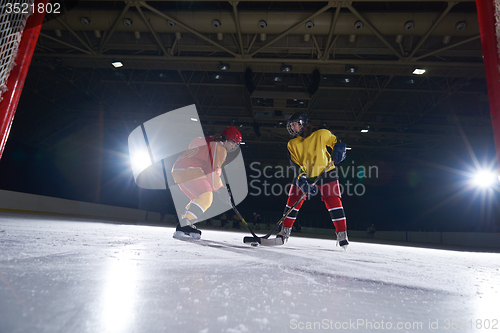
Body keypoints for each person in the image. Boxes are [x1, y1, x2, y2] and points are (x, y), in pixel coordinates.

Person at [276, 112, 349, 249]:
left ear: (303, 123)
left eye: (295, 124)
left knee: (333, 201)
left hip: (327, 172)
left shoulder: (321, 133)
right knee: (292, 200)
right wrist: (302, 179)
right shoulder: (292, 143)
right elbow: (295, 165)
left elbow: (336, 142)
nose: (293, 128)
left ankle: (342, 235)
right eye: (291, 125)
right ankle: (284, 232)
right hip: (305, 174)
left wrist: (339, 149)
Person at [171, 126, 242, 239]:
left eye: (236, 143)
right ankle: (184, 224)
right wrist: (221, 189)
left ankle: (186, 222)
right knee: (206, 196)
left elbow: (193, 144)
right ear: (226, 138)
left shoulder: (209, 140)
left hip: (177, 169)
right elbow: (213, 172)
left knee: (198, 198)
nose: (234, 145)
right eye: (233, 142)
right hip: (190, 169)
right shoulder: (220, 148)